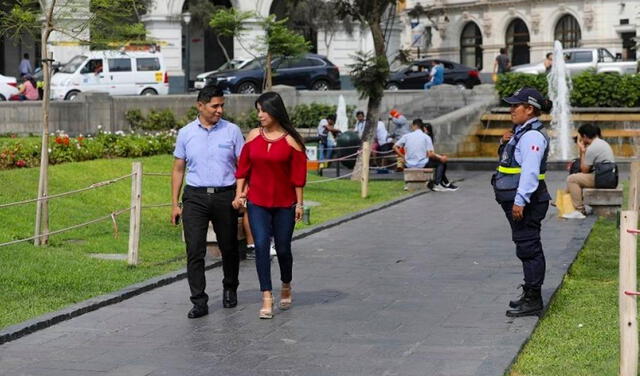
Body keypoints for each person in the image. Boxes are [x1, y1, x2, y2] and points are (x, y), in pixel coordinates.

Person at [171, 84, 245, 319]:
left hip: (225, 195)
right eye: (215, 106)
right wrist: (174, 203)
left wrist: (241, 194)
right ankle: (199, 301)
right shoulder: (186, 133)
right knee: (194, 250)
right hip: (195, 197)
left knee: (229, 247)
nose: (220, 110)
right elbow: (178, 169)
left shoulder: (232, 131)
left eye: (222, 105)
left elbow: (243, 166)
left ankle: (230, 287)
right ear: (200, 106)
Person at [233, 91, 307, 319]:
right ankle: (266, 296)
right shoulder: (254, 136)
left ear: (275, 111)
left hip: (285, 203)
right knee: (261, 246)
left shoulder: (291, 141)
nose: (260, 115)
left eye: (263, 110)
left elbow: (298, 177)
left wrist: (299, 204)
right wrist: (239, 195)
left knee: (283, 248)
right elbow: (243, 167)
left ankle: (286, 284)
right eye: (258, 110)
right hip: (257, 202)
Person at [493, 87, 552, 317]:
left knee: (529, 248)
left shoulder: (532, 136)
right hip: (521, 201)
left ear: (529, 109)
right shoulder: (522, 132)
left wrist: (520, 201)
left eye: (515, 106)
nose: (511, 110)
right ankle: (529, 292)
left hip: (527, 202)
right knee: (525, 246)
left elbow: (529, 171)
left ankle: (533, 299)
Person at [562, 124, 615, 220]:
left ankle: (579, 210)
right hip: (608, 177)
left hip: (604, 179)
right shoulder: (600, 143)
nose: (581, 140)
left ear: (585, 136)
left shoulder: (592, 148)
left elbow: (584, 170)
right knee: (576, 177)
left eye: (581, 137)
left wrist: (582, 150)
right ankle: (563, 198)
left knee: (572, 179)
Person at [393, 119, 458, 191]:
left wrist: (403, 156)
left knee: (438, 161)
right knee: (440, 163)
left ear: (414, 126)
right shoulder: (426, 137)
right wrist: (440, 157)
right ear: (421, 126)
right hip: (422, 164)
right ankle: (437, 183)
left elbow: (394, 147)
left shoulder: (406, 136)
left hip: (409, 164)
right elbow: (430, 154)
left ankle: (443, 183)